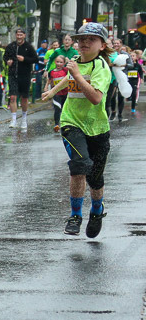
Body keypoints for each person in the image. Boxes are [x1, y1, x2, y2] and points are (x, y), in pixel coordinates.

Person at [49, 23, 113, 238]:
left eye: (91, 39)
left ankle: (96, 210)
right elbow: (69, 78)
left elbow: (95, 98)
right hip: (71, 122)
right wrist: (51, 92)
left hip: (98, 127)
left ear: (102, 45)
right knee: (79, 166)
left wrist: (76, 76)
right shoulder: (75, 61)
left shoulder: (101, 68)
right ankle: (75, 215)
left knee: (95, 178)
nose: (84, 42)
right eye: (81, 38)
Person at [4, 27, 37, 128]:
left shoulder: (29, 47)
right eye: (17, 35)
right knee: (13, 97)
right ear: (15, 36)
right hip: (13, 74)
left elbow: (35, 59)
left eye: (21, 35)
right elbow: (5, 57)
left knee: (24, 97)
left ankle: (24, 119)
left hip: (25, 75)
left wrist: (24, 59)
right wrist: (7, 61)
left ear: (24, 36)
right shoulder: (11, 46)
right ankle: (13, 120)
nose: (19, 37)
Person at [46, 54, 69, 131]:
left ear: (64, 63)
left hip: (66, 93)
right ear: (55, 62)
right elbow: (49, 80)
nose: (59, 64)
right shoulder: (52, 72)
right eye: (57, 62)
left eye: (61, 62)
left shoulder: (66, 70)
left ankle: (65, 124)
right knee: (57, 108)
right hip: (57, 94)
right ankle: (56, 124)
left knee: (65, 109)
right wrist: (46, 87)